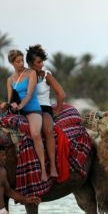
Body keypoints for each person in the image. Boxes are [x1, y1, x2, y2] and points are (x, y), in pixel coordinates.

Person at [5, 49, 49, 182]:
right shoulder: (10, 80)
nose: (21, 63)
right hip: (17, 110)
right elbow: (10, 99)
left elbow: (29, 94)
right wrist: (11, 105)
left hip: (32, 109)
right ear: (12, 63)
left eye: (22, 60)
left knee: (35, 133)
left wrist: (20, 106)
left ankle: (43, 170)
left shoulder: (31, 73)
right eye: (18, 61)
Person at [26, 45, 66, 180]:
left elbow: (61, 94)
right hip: (29, 108)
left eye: (42, 61)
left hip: (44, 107)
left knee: (48, 130)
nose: (41, 64)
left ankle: (52, 167)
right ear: (30, 63)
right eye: (38, 62)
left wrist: (58, 110)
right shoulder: (24, 75)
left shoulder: (46, 75)